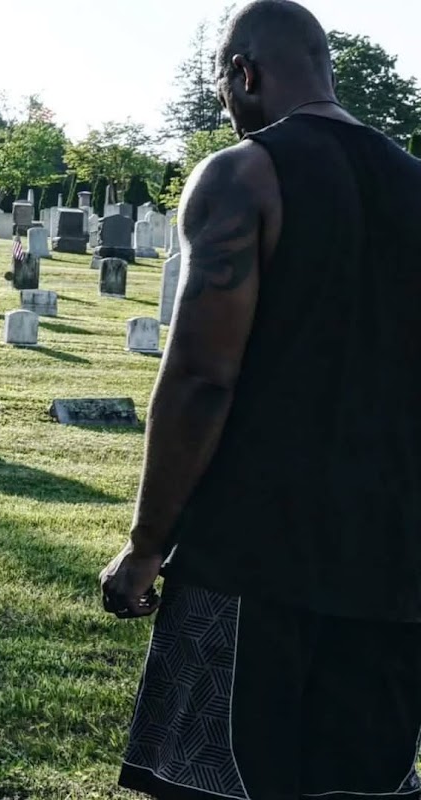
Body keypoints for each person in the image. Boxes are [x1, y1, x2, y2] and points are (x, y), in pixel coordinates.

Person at [99, 1, 421, 797]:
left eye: (220, 82)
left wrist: (146, 544)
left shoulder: (243, 174)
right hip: (394, 559)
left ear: (245, 71)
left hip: (251, 555)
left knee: (218, 783)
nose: (223, 101)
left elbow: (203, 375)